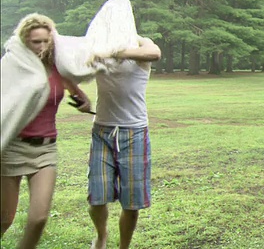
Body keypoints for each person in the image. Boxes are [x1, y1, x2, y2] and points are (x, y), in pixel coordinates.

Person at [1, 13, 92, 249]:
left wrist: (82, 101)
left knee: (39, 218)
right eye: (35, 42)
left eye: (45, 41)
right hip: (13, 148)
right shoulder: (12, 66)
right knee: (4, 219)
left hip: (45, 150)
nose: (42, 46)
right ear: (24, 41)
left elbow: (78, 93)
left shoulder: (57, 67)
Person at [87, 35, 160, 249]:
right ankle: (101, 235)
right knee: (96, 197)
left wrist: (112, 52)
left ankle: (124, 247)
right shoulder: (97, 45)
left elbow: (154, 53)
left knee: (132, 201)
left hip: (134, 132)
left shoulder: (141, 43)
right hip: (102, 130)